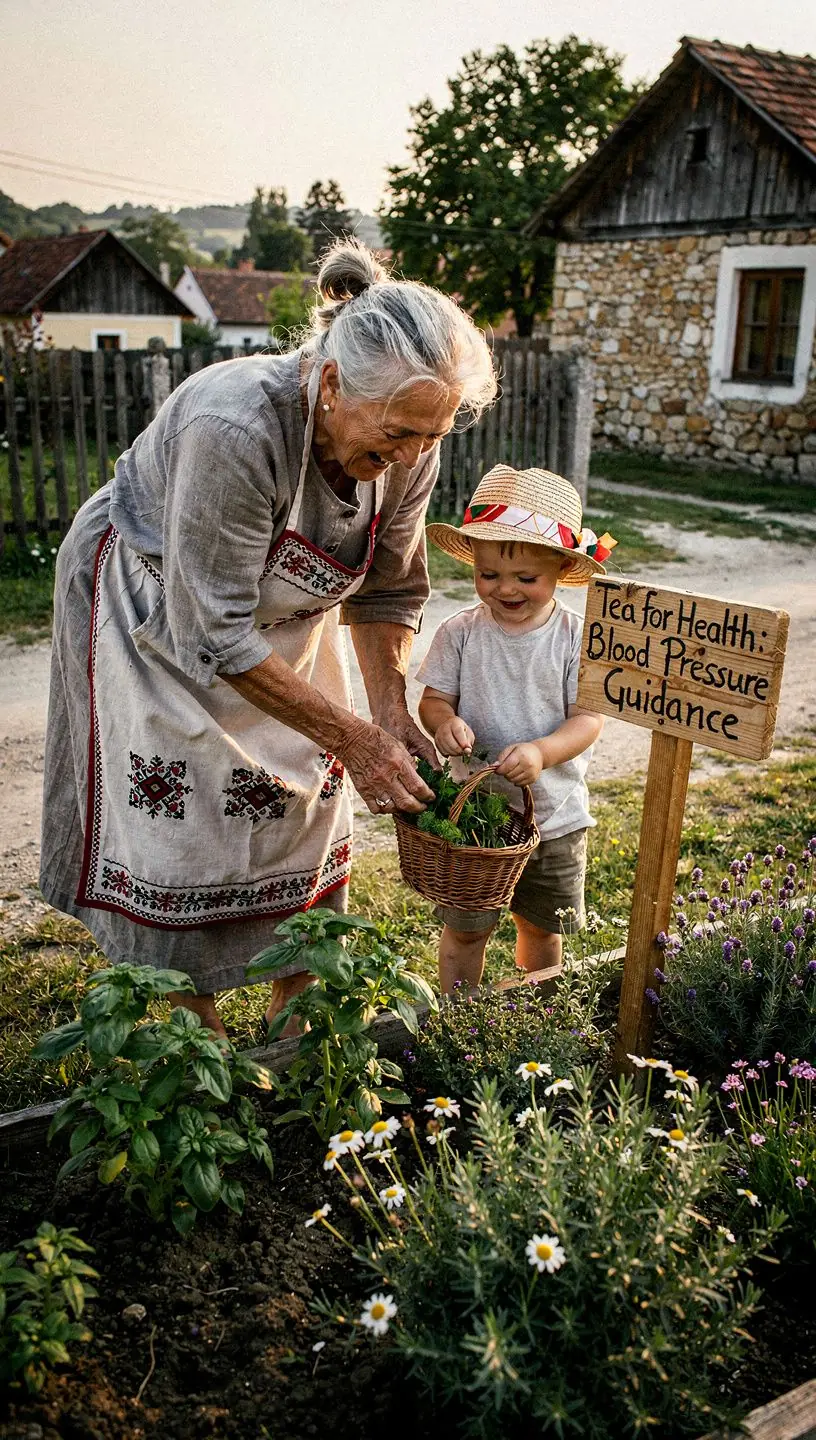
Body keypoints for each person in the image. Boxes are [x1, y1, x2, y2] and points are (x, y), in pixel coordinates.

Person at [40, 238, 496, 1037]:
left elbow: (390, 586)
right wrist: (351, 736)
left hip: (287, 622)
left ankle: (297, 1020)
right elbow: (209, 630)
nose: (412, 455)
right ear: (328, 385)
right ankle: (193, 1036)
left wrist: (385, 712)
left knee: (304, 803)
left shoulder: (411, 434)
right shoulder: (237, 424)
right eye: (397, 435)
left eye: (433, 435)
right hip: (159, 611)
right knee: (174, 812)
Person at [415, 463, 616, 995]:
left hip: (554, 816)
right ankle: (461, 1017)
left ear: (559, 572)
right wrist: (444, 723)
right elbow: (433, 701)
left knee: (543, 927)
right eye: (489, 575)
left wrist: (544, 753)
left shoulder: (575, 637)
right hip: (477, 820)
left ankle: (538, 1010)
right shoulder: (459, 633)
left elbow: (588, 719)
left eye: (526, 578)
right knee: (465, 930)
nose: (506, 588)